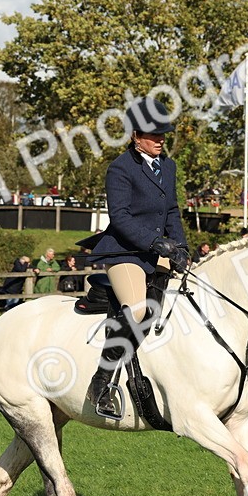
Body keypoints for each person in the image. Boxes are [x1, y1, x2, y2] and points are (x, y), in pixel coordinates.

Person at [80, 97, 188, 418]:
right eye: (154, 135)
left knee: (189, 297)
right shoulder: (120, 168)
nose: (160, 140)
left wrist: (181, 247)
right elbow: (121, 218)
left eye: (163, 134)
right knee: (140, 310)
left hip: (156, 250)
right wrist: (157, 243)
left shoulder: (168, 167)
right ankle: (101, 383)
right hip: (125, 252)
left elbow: (171, 211)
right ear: (135, 136)